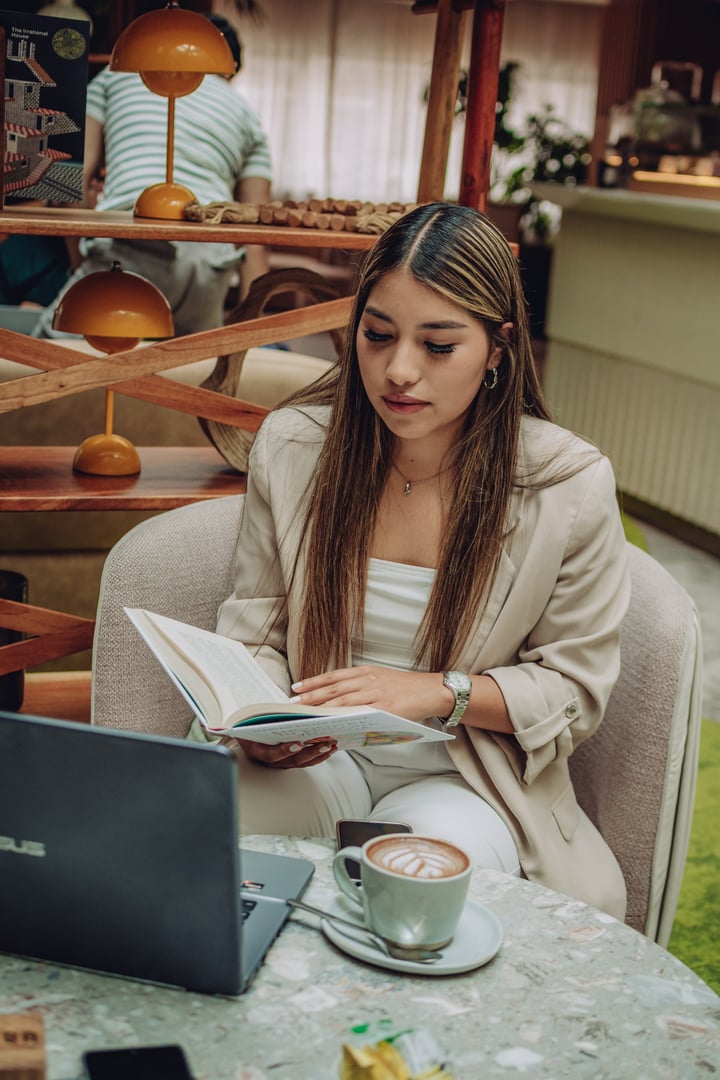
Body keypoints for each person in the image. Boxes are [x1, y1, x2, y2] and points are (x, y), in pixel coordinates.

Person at [208, 202, 630, 920]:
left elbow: (573, 694)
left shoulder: (567, 484)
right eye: (377, 336)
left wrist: (436, 691)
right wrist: (263, 720)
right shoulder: (295, 445)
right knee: (218, 841)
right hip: (319, 757)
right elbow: (256, 630)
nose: (399, 371)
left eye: (438, 347)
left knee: (405, 890)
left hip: (469, 776)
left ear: (497, 348)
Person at [33, 14, 271, 338]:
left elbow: (65, 186)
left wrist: (82, 264)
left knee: (47, 364)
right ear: (228, 69)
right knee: (189, 378)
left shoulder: (116, 77)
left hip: (129, 247)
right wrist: (256, 339)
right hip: (209, 259)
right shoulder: (247, 115)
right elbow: (255, 239)